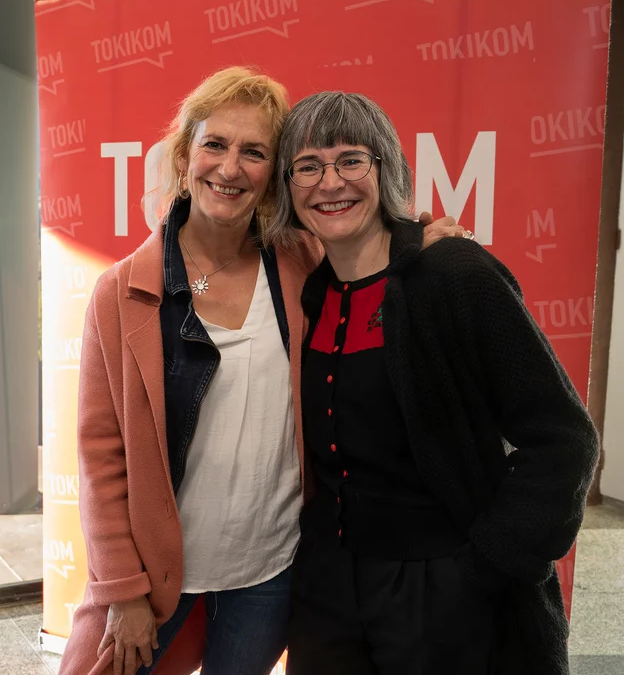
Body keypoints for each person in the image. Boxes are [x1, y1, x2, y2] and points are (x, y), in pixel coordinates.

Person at [57, 68, 465, 675]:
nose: (230, 168)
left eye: (254, 152)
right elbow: (100, 455)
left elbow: (370, 246)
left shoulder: (303, 261)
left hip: (270, 572)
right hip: (155, 579)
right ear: (184, 157)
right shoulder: (123, 293)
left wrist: (422, 244)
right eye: (215, 145)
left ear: (272, 174)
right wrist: (122, 590)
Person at [268, 91, 600, 675]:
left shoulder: (453, 275)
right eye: (308, 165)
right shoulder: (312, 294)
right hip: (328, 594)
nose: (330, 182)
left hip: (444, 594)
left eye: (351, 160)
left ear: (386, 169)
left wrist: (484, 568)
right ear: (288, 187)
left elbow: (564, 440)